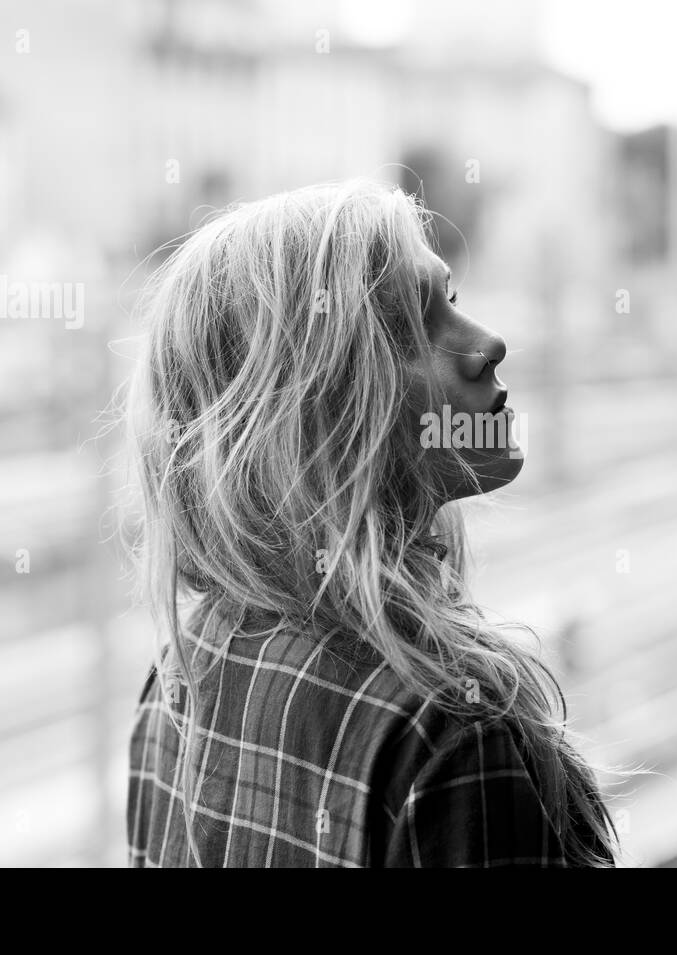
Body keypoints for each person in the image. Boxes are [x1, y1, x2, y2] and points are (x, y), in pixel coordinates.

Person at [123, 179, 620, 867]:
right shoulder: (452, 733)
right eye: (417, 327)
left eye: (450, 299)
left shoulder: (181, 677)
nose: (488, 343)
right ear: (313, 411)